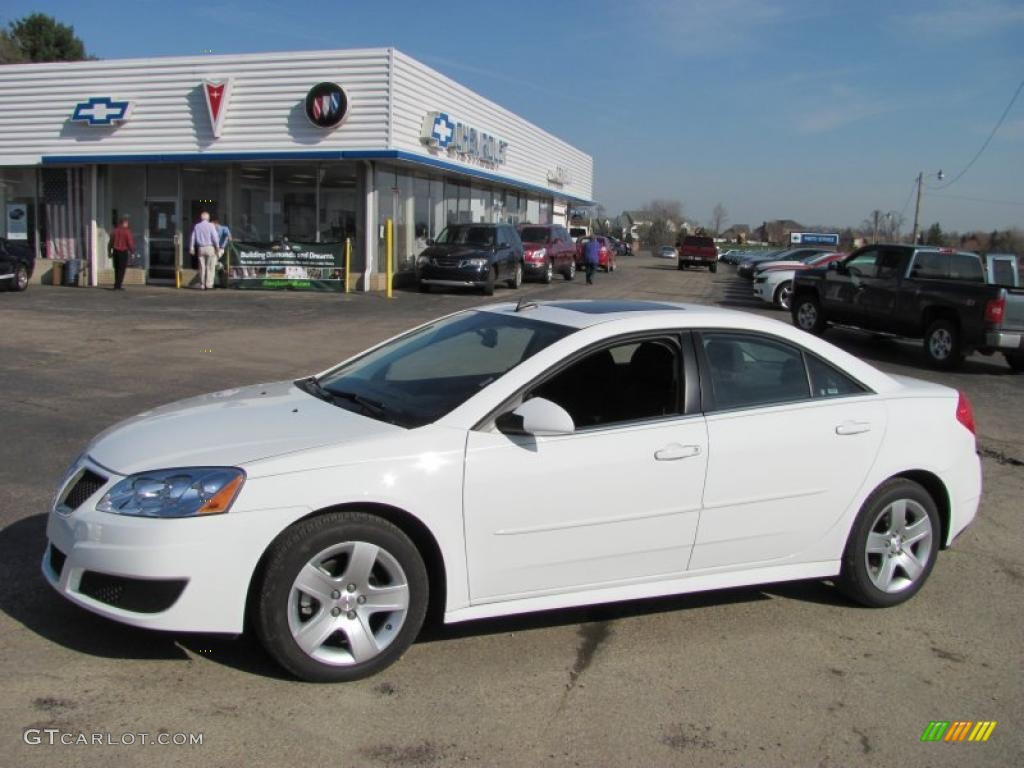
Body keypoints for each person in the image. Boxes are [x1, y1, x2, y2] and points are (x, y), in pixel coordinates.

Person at [189, 211, 220, 290]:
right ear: (208, 218)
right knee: (210, 266)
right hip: (210, 247)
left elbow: (193, 237)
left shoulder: (197, 226)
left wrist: (191, 247)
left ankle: (202, 284)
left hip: (200, 248)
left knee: (202, 267)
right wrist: (217, 247)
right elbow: (215, 237)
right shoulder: (211, 225)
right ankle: (209, 284)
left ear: (201, 218)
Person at [108, 217, 135, 290]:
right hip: (123, 251)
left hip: (115, 251)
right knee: (122, 269)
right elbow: (130, 242)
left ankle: (116, 284)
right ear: (124, 223)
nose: (128, 224)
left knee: (116, 268)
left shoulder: (114, 231)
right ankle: (118, 285)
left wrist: (109, 252)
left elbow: (110, 243)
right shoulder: (127, 231)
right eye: (127, 223)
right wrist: (132, 252)